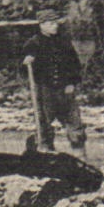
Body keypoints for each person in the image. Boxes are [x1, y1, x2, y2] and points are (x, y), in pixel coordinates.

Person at [20, 18, 86, 156]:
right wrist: (26, 63)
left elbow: (74, 64)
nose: (55, 26)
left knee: (74, 121)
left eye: (56, 23)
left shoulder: (64, 42)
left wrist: (71, 83)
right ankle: (46, 153)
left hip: (65, 89)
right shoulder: (33, 43)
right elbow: (23, 71)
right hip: (44, 90)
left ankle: (79, 155)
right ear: (42, 25)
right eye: (51, 24)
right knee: (43, 123)